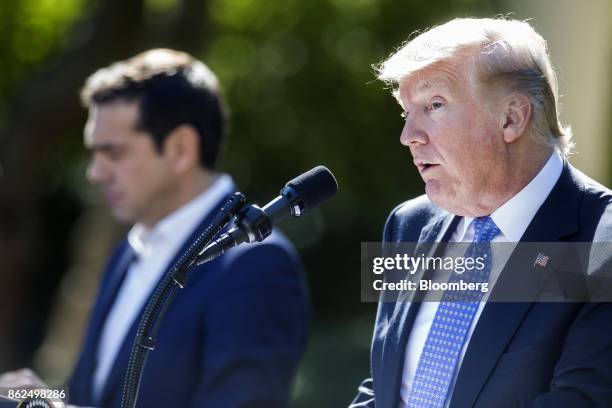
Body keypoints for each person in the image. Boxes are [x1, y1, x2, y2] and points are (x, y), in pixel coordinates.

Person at [1, 49, 310, 408]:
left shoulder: (257, 265)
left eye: (113, 154)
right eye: (93, 154)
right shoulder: (129, 250)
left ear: (180, 149)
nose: (94, 173)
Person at [351, 18, 612, 407]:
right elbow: (386, 387)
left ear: (512, 118)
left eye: (433, 105)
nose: (408, 136)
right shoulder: (407, 225)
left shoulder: (602, 241)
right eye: (406, 112)